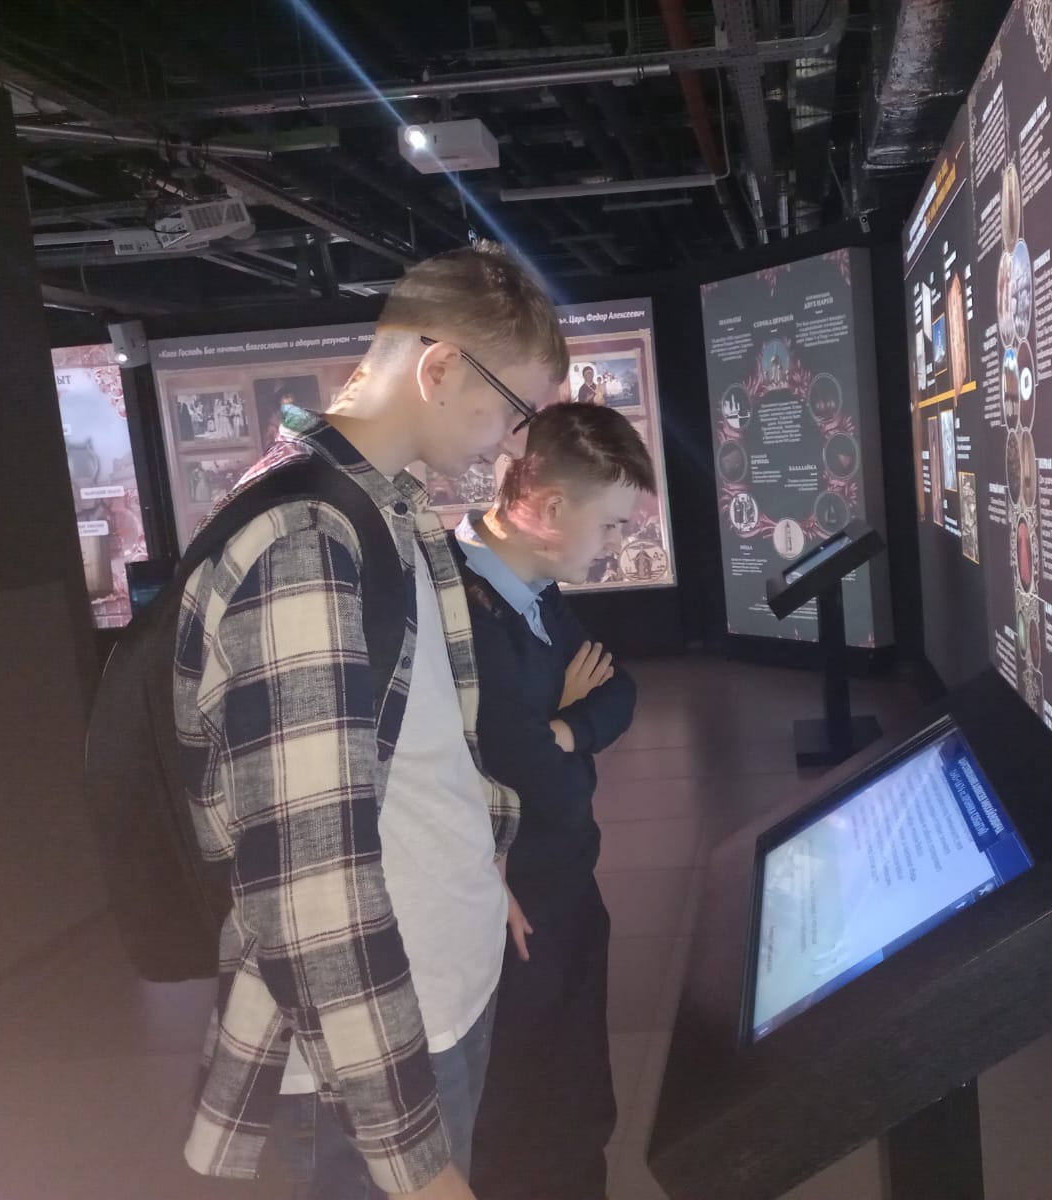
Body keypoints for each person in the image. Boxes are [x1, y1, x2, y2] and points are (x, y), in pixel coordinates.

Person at [172, 242, 567, 1200]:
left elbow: (428, 745)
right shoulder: (304, 541)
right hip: (373, 1059)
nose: (513, 447)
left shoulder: (388, 511)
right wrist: (415, 1163)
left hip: (435, 985)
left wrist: (477, 866)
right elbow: (312, 886)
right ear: (441, 369)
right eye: (512, 411)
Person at [452, 403, 655, 1200]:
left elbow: (619, 690)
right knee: (524, 1120)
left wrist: (562, 728)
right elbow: (531, 784)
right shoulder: (466, 608)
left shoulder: (533, 591)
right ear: (554, 508)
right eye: (608, 526)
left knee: (576, 1105)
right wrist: (556, 742)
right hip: (516, 909)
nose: (612, 545)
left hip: (563, 887)